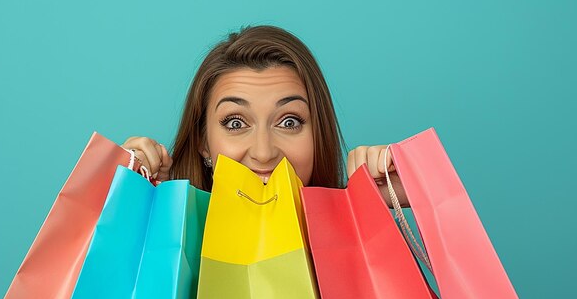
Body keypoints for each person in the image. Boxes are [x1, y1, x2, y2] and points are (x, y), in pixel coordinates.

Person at [121, 25, 407, 205]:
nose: (263, 152)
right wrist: (120, 202)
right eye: (235, 123)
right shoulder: (164, 238)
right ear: (203, 142)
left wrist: (409, 194)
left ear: (319, 134)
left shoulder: (359, 234)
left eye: (289, 121)